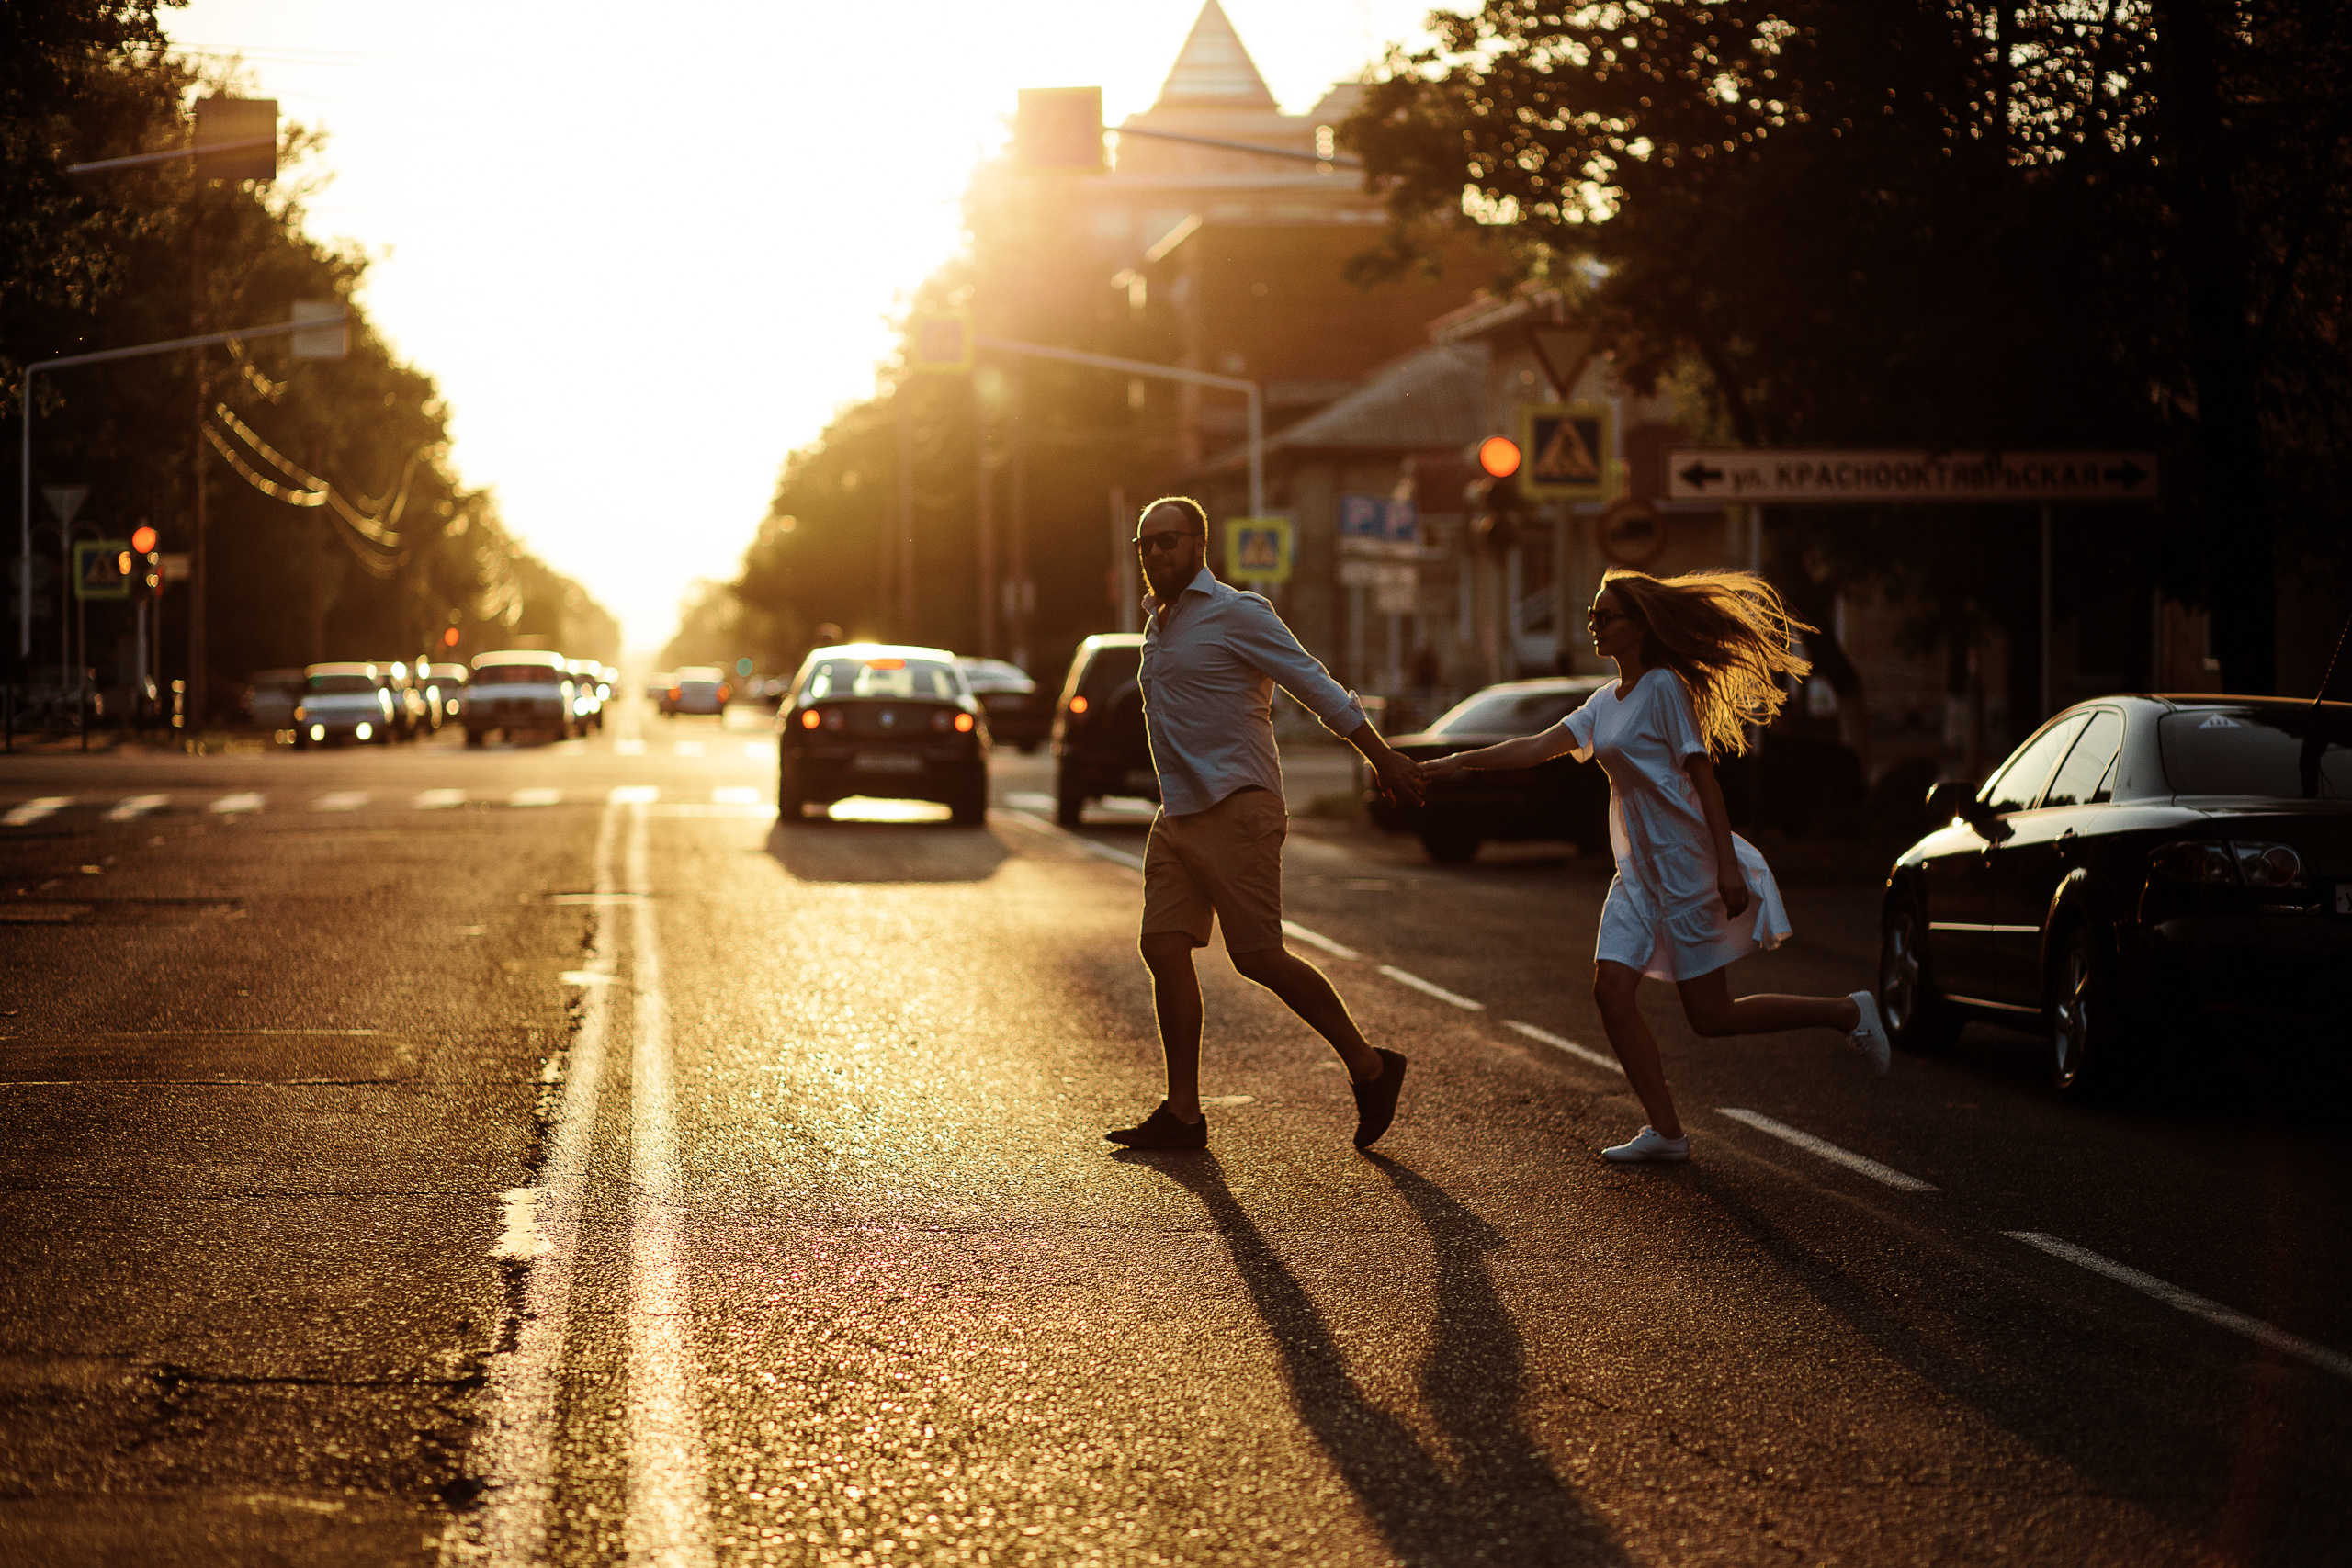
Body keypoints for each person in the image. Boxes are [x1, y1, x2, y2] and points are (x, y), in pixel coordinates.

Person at [1419, 568, 1891, 1164]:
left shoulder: (1665, 688)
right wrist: (1456, 761)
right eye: (1593, 614)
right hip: (1637, 872)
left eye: (1606, 615)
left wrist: (1725, 864)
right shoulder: (1603, 701)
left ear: (1639, 626)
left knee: (1711, 1016)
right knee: (1611, 989)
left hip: (1686, 864)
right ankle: (1666, 1130)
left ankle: (1847, 1011)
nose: (1596, 623)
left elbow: (1703, 778)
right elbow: (1536, 746)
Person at [1106, 497, 1428, 1153]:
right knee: (1163, 945)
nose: (1157, 553)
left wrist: (1381, 755)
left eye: (1169, 540)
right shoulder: (1156, 625)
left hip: (1239, 805)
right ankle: (1185, 1112)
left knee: (1257, 956)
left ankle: (1370, 1066)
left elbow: (1313, 684)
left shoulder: (1237, 613)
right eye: (1146, 544)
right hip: (1179, 813)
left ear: (1199, 543)